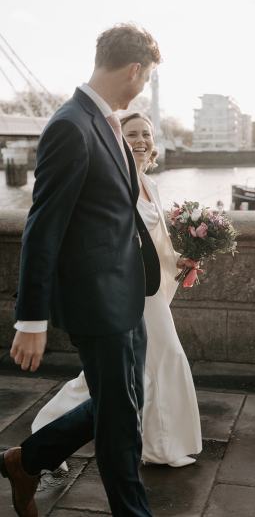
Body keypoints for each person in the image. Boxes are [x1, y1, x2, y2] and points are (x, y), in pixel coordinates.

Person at [0, 23, 162, 517]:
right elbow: (42, 227)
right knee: (121, 426)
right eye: (149, 75)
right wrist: (31, 321)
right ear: (135, 70)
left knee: (122, 406)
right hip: (98, 304)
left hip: (128, 294)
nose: (146, 85)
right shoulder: (70, 126)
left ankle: (26, 461)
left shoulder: (109, 122)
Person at [31, 112, 202, 469]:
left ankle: (46, 431)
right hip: (123, 291)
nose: (141, 140)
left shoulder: (149, 185)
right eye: (132, 134)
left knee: (120, 374)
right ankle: (159, 446)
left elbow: (156, 243)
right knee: (163, 359)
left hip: (149, 290)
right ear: (117, 141)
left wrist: (183, 261)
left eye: (146, 134)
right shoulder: (114, 183)